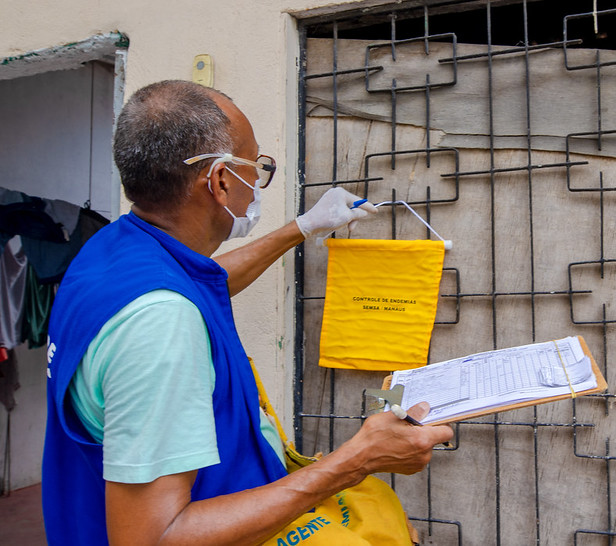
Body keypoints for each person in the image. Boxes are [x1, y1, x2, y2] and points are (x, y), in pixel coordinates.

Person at [41, 80, 453, 545]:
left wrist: (301, 227)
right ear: (219, 181)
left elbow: (205, 282)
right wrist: (355, 461)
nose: (257, 180)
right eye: (256, 167)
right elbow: (154, 537)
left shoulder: (116, 252)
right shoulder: (159, 325)